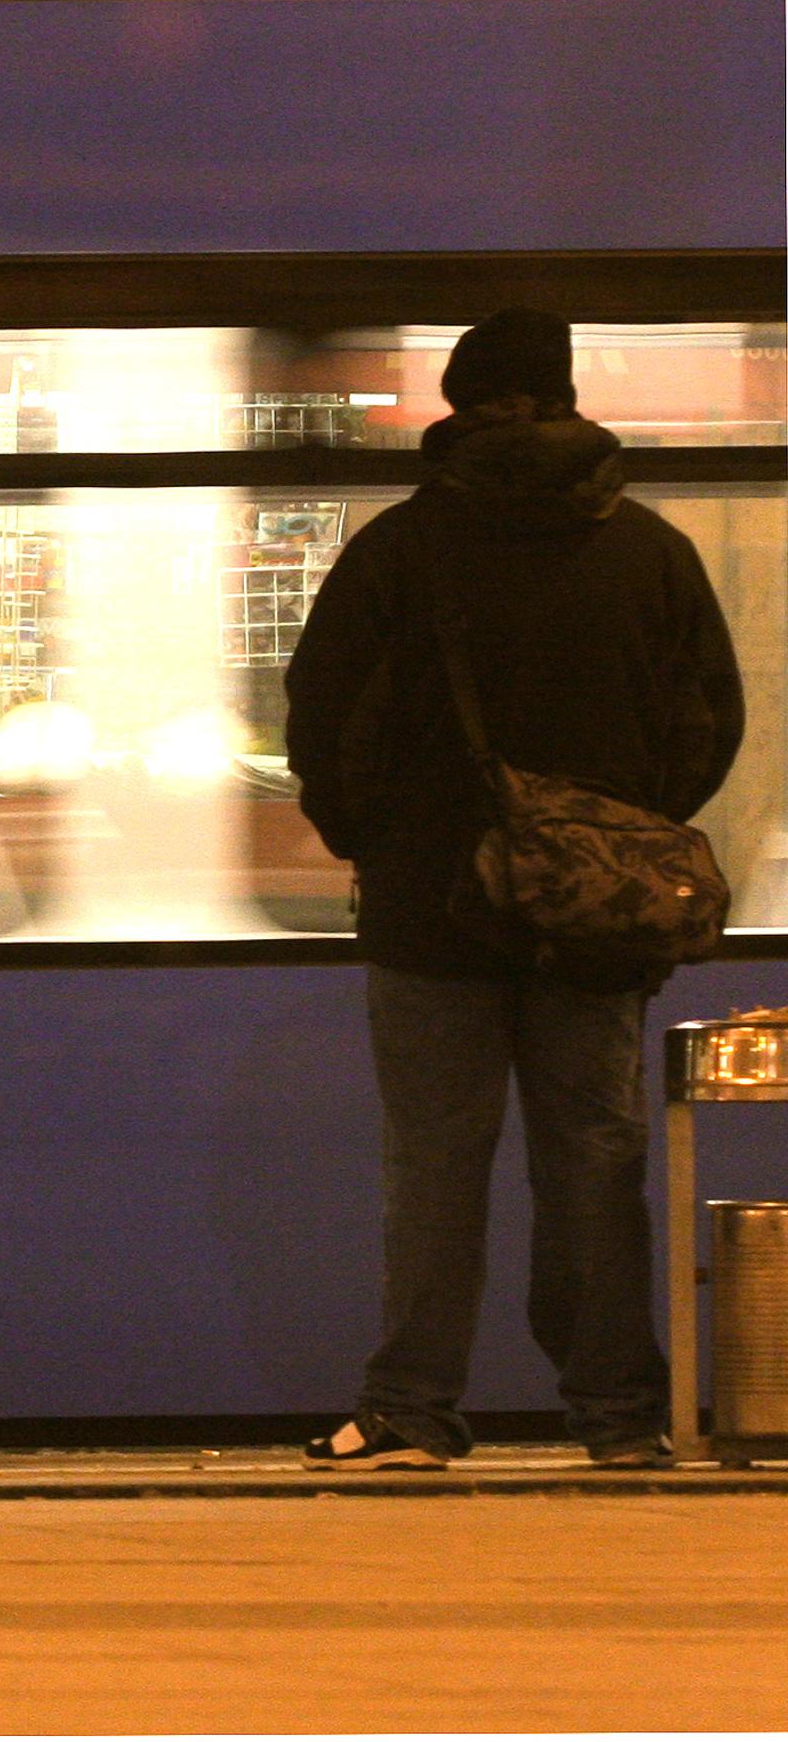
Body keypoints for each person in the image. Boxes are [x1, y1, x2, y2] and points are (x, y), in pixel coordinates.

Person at [282, 309, 746, 1473]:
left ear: (456, 401)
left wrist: (379, 843)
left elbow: (317, 720)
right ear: (569, 397)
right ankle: (618, 1419)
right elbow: (711, 722)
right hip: (594, 918)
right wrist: (617, 837)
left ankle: (413, 1411)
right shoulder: (650, 550)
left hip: (427, 908)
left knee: (433, 1160)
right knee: (594, 1159)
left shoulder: (397, 551)